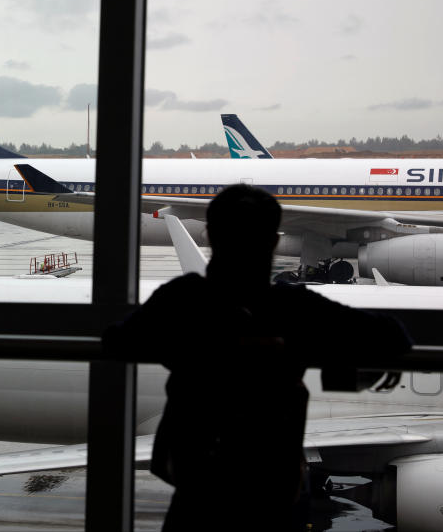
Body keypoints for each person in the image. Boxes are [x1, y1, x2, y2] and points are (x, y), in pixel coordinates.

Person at [104, 184, 412, 531]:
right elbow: (392, 335)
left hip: (199, 492)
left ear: (210, 236)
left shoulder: (183, 300)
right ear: (273, 242)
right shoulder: (292, 307)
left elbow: (118, 342)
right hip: (272, 493)